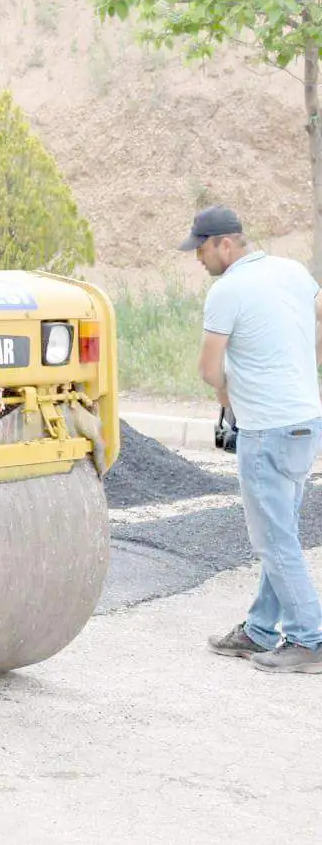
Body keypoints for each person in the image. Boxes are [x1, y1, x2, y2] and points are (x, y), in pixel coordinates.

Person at [187, 206, 322, 673]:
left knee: (273, 541)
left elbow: (208, 369)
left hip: (266, 429)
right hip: (306, 421)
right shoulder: (293, 271)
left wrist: (230, 404)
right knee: (279, 530)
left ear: (225, 244)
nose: (198, 259)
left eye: (201, 249)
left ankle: (310, 640)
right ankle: (261, 630)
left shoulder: (227, 290)